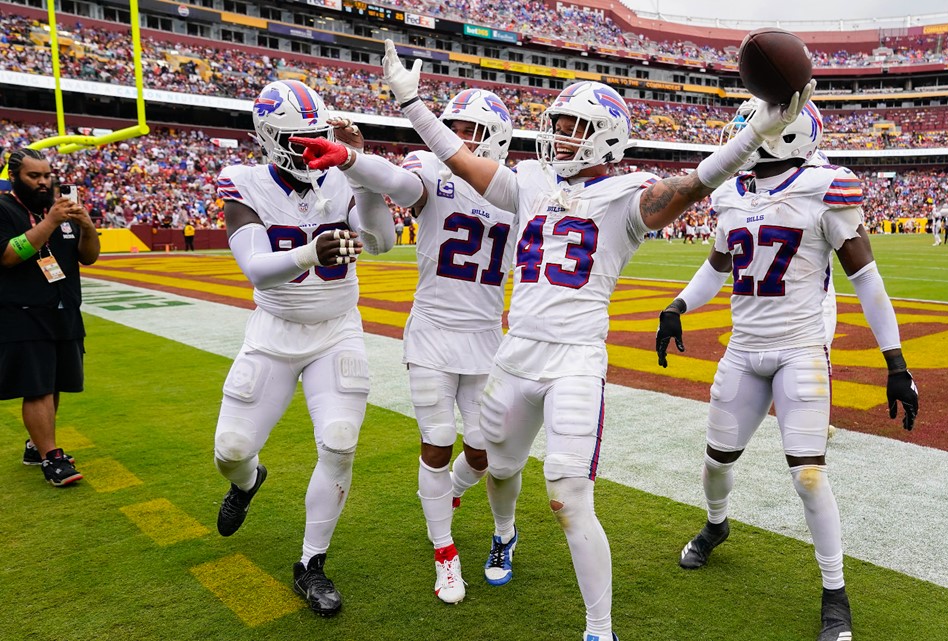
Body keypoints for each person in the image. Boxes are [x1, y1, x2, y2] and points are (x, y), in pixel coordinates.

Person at [383, 39, 813, 641]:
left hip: (575, 361)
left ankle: (599, 628)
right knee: (500, 470)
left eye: (570, 126)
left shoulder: (626, 198)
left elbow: (692, 185)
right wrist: (412, 104)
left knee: (567, 496)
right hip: (514, 356)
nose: (556, 135)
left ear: (604, 135)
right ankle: (503, 535)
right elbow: (461, 161)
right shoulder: (529, 181)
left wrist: (749, 140)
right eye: (556, 123)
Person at [655, 98, 919, 641]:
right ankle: (716, 524)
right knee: (716, 464)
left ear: (786, 135)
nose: (742, 136)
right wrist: (677, 307)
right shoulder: (731, 194)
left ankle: (835, 593)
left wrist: (895, 363)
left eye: (752, 128)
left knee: (809, 474)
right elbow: (715, 269)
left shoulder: (826, 188)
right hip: (743, 349)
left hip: (799, 348)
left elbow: (867, 281)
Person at [293, 87, 518, 605]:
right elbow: (394, 180)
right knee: (438, 441)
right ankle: (445, 553)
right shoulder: (430, 170)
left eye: (471, 133)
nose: (459, 140)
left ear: (497, 141)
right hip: (433, 332)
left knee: (487, 453)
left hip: (486, 336)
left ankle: (453, 497)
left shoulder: (514, 189)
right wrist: (353, 158)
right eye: (455, 129)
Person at [210, 80, 395, 618]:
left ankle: (311, 564)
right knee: (232, 450)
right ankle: (248, 483)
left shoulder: (338, 178)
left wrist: (362, 176)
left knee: (339, 441)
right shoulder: (244, 183)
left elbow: (382, 242)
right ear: (268, 139)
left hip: (336, 328)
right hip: (274, 330)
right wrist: (311, 251)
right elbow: (256, 270)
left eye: (317, 135)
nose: (310, 148)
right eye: (297, 138)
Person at [0, 148, 100, 486]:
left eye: (47, 176)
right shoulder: (4, 209)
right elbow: (8, 256)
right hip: (23, 311)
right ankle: (51, 458)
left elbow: (89, 258)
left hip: (64, 307)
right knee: (37, 386)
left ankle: (36, 446)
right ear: (14, 177)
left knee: (54, 382)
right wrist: (51, 221)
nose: (43, 182)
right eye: (34, 176)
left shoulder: (63, 211)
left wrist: (86, 226)